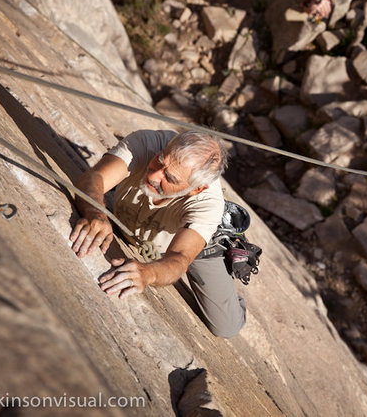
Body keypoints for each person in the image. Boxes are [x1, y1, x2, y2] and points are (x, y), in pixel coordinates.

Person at [69, 129, 246, 339]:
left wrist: (148, 273)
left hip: (192, 240)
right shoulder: (146, 142)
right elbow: (95, 177)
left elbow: (179, 258)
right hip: (138, 215)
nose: (154, 174)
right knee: (110, 193)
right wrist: (95, 212)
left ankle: (219, 238)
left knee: (226, 326)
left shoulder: (206, 205)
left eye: (169, 177)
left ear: (196, 189)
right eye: (159, 161)